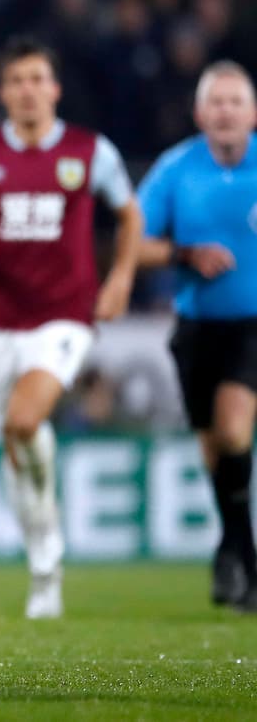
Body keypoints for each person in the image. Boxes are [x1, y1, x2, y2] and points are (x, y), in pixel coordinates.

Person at [0, 37, 142, 619]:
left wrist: (121, 278)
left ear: (52, 88)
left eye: (36, 79)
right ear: (3, 92)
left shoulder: (88, 151)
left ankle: (47, 560)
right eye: (17, 80)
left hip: (66, 314)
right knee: (11, 442)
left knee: (24, 420)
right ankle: (44, 559)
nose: (27, 89)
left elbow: (128, 213)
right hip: (0, 318)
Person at [136, 60, 257, 612]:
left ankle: (237, 555)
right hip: (195, 327)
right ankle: (236, 552)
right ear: (200, 112)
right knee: (214, 450)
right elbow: (134, 245)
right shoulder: (175, 168)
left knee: (233, 431)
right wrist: (186, 253)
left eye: (236, 101)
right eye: (218, 102)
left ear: (251, 113)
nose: (227, 111)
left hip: (250, 328)